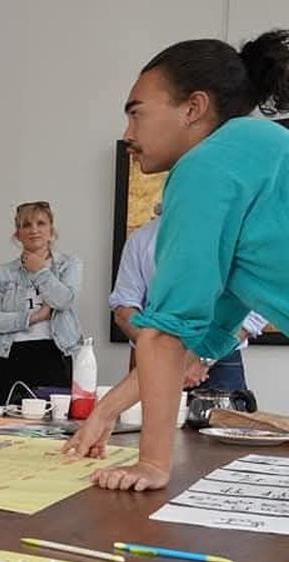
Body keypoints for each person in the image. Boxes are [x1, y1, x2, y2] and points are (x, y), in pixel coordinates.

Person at [68, 30, 289, 491]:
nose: (128, 134)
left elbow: (166, 334)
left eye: (136, 113)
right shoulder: (252, 150)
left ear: (193, 108)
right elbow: (200, 339)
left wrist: (151, 463)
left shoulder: (205, 165)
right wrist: (105, 412)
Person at [109, 206, 266, 390]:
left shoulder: (234, 238)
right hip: (153, 359)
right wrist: (159, 350)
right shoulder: (141, 240)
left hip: (218, 361)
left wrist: (204, 357)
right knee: (138, 419)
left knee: (224, 420)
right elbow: (123, 309)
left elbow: (256, 309)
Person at [0, 201, 83, 405]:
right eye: (26, 225)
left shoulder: (68, 265)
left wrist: (40, 271)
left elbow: (64, 300)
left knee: (53, 425)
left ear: (51, 229)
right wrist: (32, 317)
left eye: (41, 223)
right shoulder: (4, 272)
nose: (34, 230)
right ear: (17, 233)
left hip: (54, 353)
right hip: (10, 355)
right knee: (10, 424)